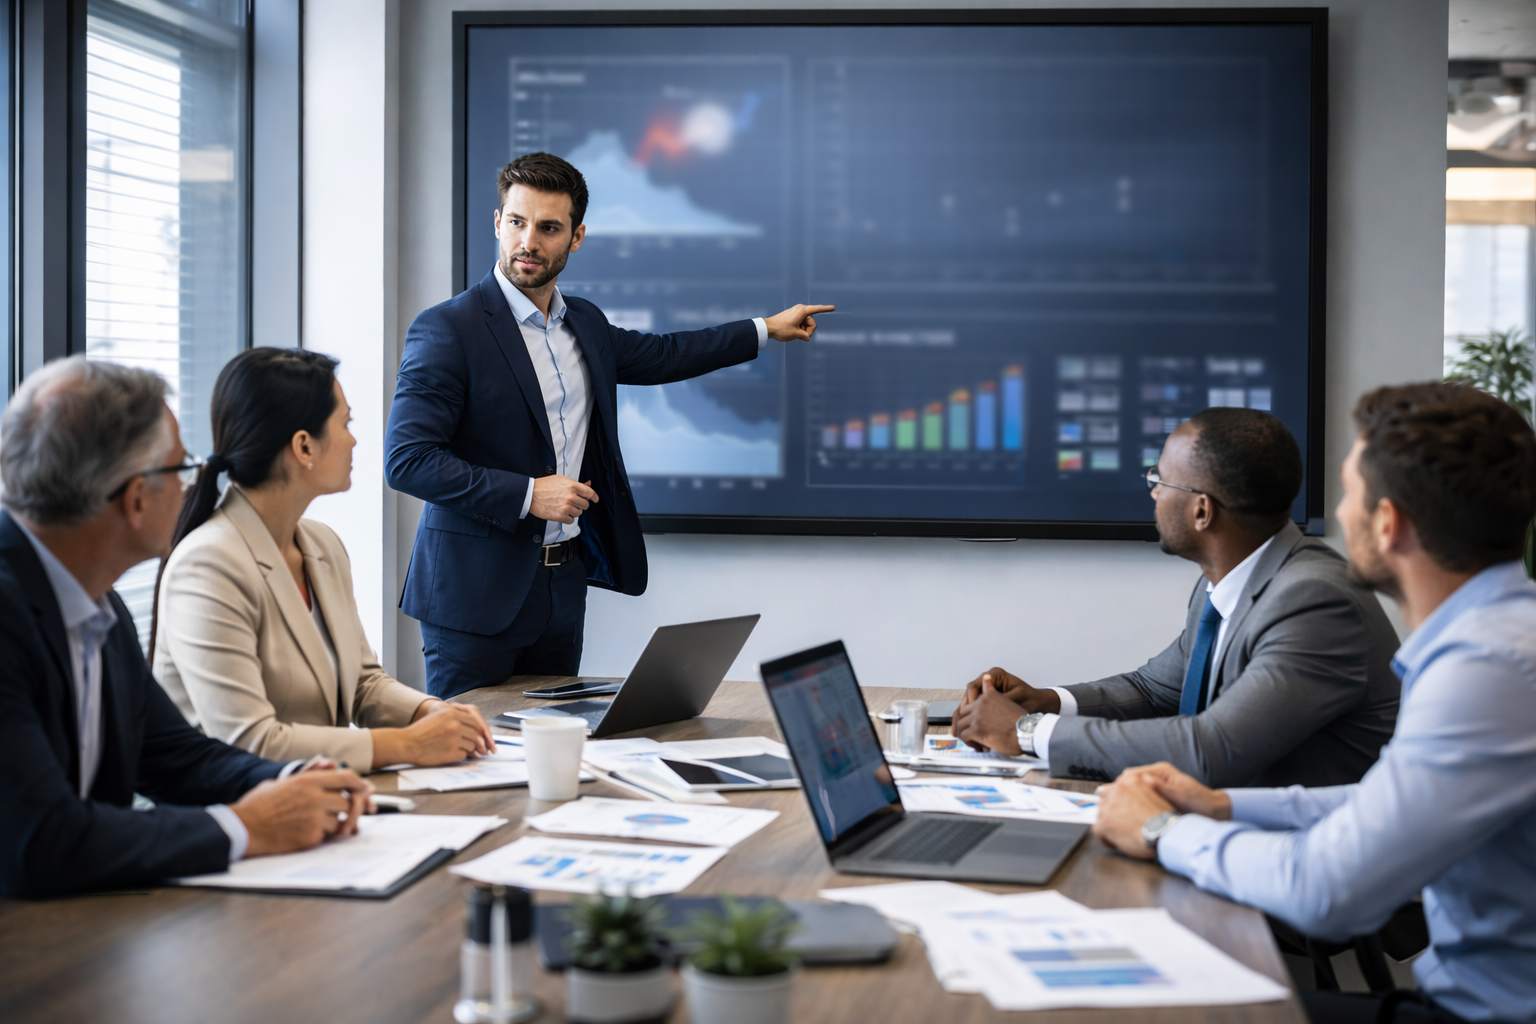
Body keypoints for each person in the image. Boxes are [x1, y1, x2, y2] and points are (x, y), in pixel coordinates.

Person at [1094, 382, 1536, 1024]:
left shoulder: (1485, 668)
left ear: (1388, 525)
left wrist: (1163, 831)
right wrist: (1221, 806)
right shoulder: (1497, 637)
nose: (1334, 510)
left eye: (1351, 491)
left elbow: (1327, 893)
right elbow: (1385, 800)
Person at [385, 152, 833, 698]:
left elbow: (667, 354)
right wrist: (528, 494)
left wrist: (765, 329)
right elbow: (408, 461)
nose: (530, 241)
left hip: (561, 586)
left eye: (549, 228)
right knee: (470, 754)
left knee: (555, 752)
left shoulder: (586, 325)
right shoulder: (446, 330)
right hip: (472, 593)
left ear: (575, 238)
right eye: (517, 223)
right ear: (497, 223)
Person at [0, 357, 376, 899]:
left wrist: (290, 781)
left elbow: (176, 757)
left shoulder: (96, 602)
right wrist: (247, 828)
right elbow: (42, 839)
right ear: (135, 498)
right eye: (180, 469)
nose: (191, 487)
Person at [952, 407, 1401, 788]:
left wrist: (1027, 732)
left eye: (1161, 479)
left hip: (1310, 857)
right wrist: (1044, 702)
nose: (1153, 491)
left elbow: (1212, 749)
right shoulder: (1230, 578)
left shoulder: (1314, 601)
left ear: (1202, 511)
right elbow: (1151, 691)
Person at [152, 348, 495, 769]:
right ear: (303, 446)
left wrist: (428, 712)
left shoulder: (322, 545)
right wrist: (409, 746)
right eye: (345, 423)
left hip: (322, 800)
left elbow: (363, 684)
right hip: (239, 815)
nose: (354, 439)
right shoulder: (207, 565)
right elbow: (249, 741)